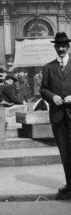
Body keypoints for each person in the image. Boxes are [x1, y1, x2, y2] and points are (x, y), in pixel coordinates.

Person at [40, 31, 71, 196]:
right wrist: (53, 97)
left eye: (64, 46)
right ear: (55, 48)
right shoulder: (49, 67)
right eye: (58, 46)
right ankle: (69, 183)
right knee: (64, 151)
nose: (61, 49)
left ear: (68, 46)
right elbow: (43, 89)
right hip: (58, 116)